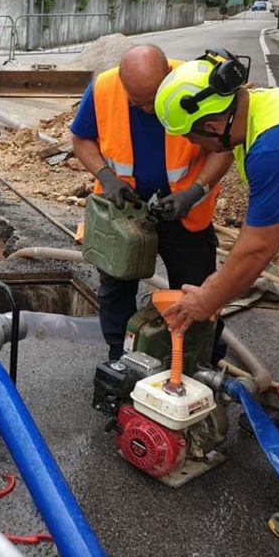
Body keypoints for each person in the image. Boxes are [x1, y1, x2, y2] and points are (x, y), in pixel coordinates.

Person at [155, 58, 279, 549]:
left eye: (194, 139)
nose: (198, 149)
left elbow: (255, 249)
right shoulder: (265, 115)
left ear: (213, 124)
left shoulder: (277, 146)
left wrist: (206, 299)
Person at [70, 44, 233, 363]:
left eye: (153, 101)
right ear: (123, 83)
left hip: (185, 213)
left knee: (197, 291)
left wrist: (194, 192)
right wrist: (107, 177)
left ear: (168, 76)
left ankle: (199, 359)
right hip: (125, 211)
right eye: (138, 103)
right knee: (116, 288)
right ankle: (121, 358)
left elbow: (225, 145)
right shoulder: (104, 88)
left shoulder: (193, 85)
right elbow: (81, 138)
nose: (147, 110)